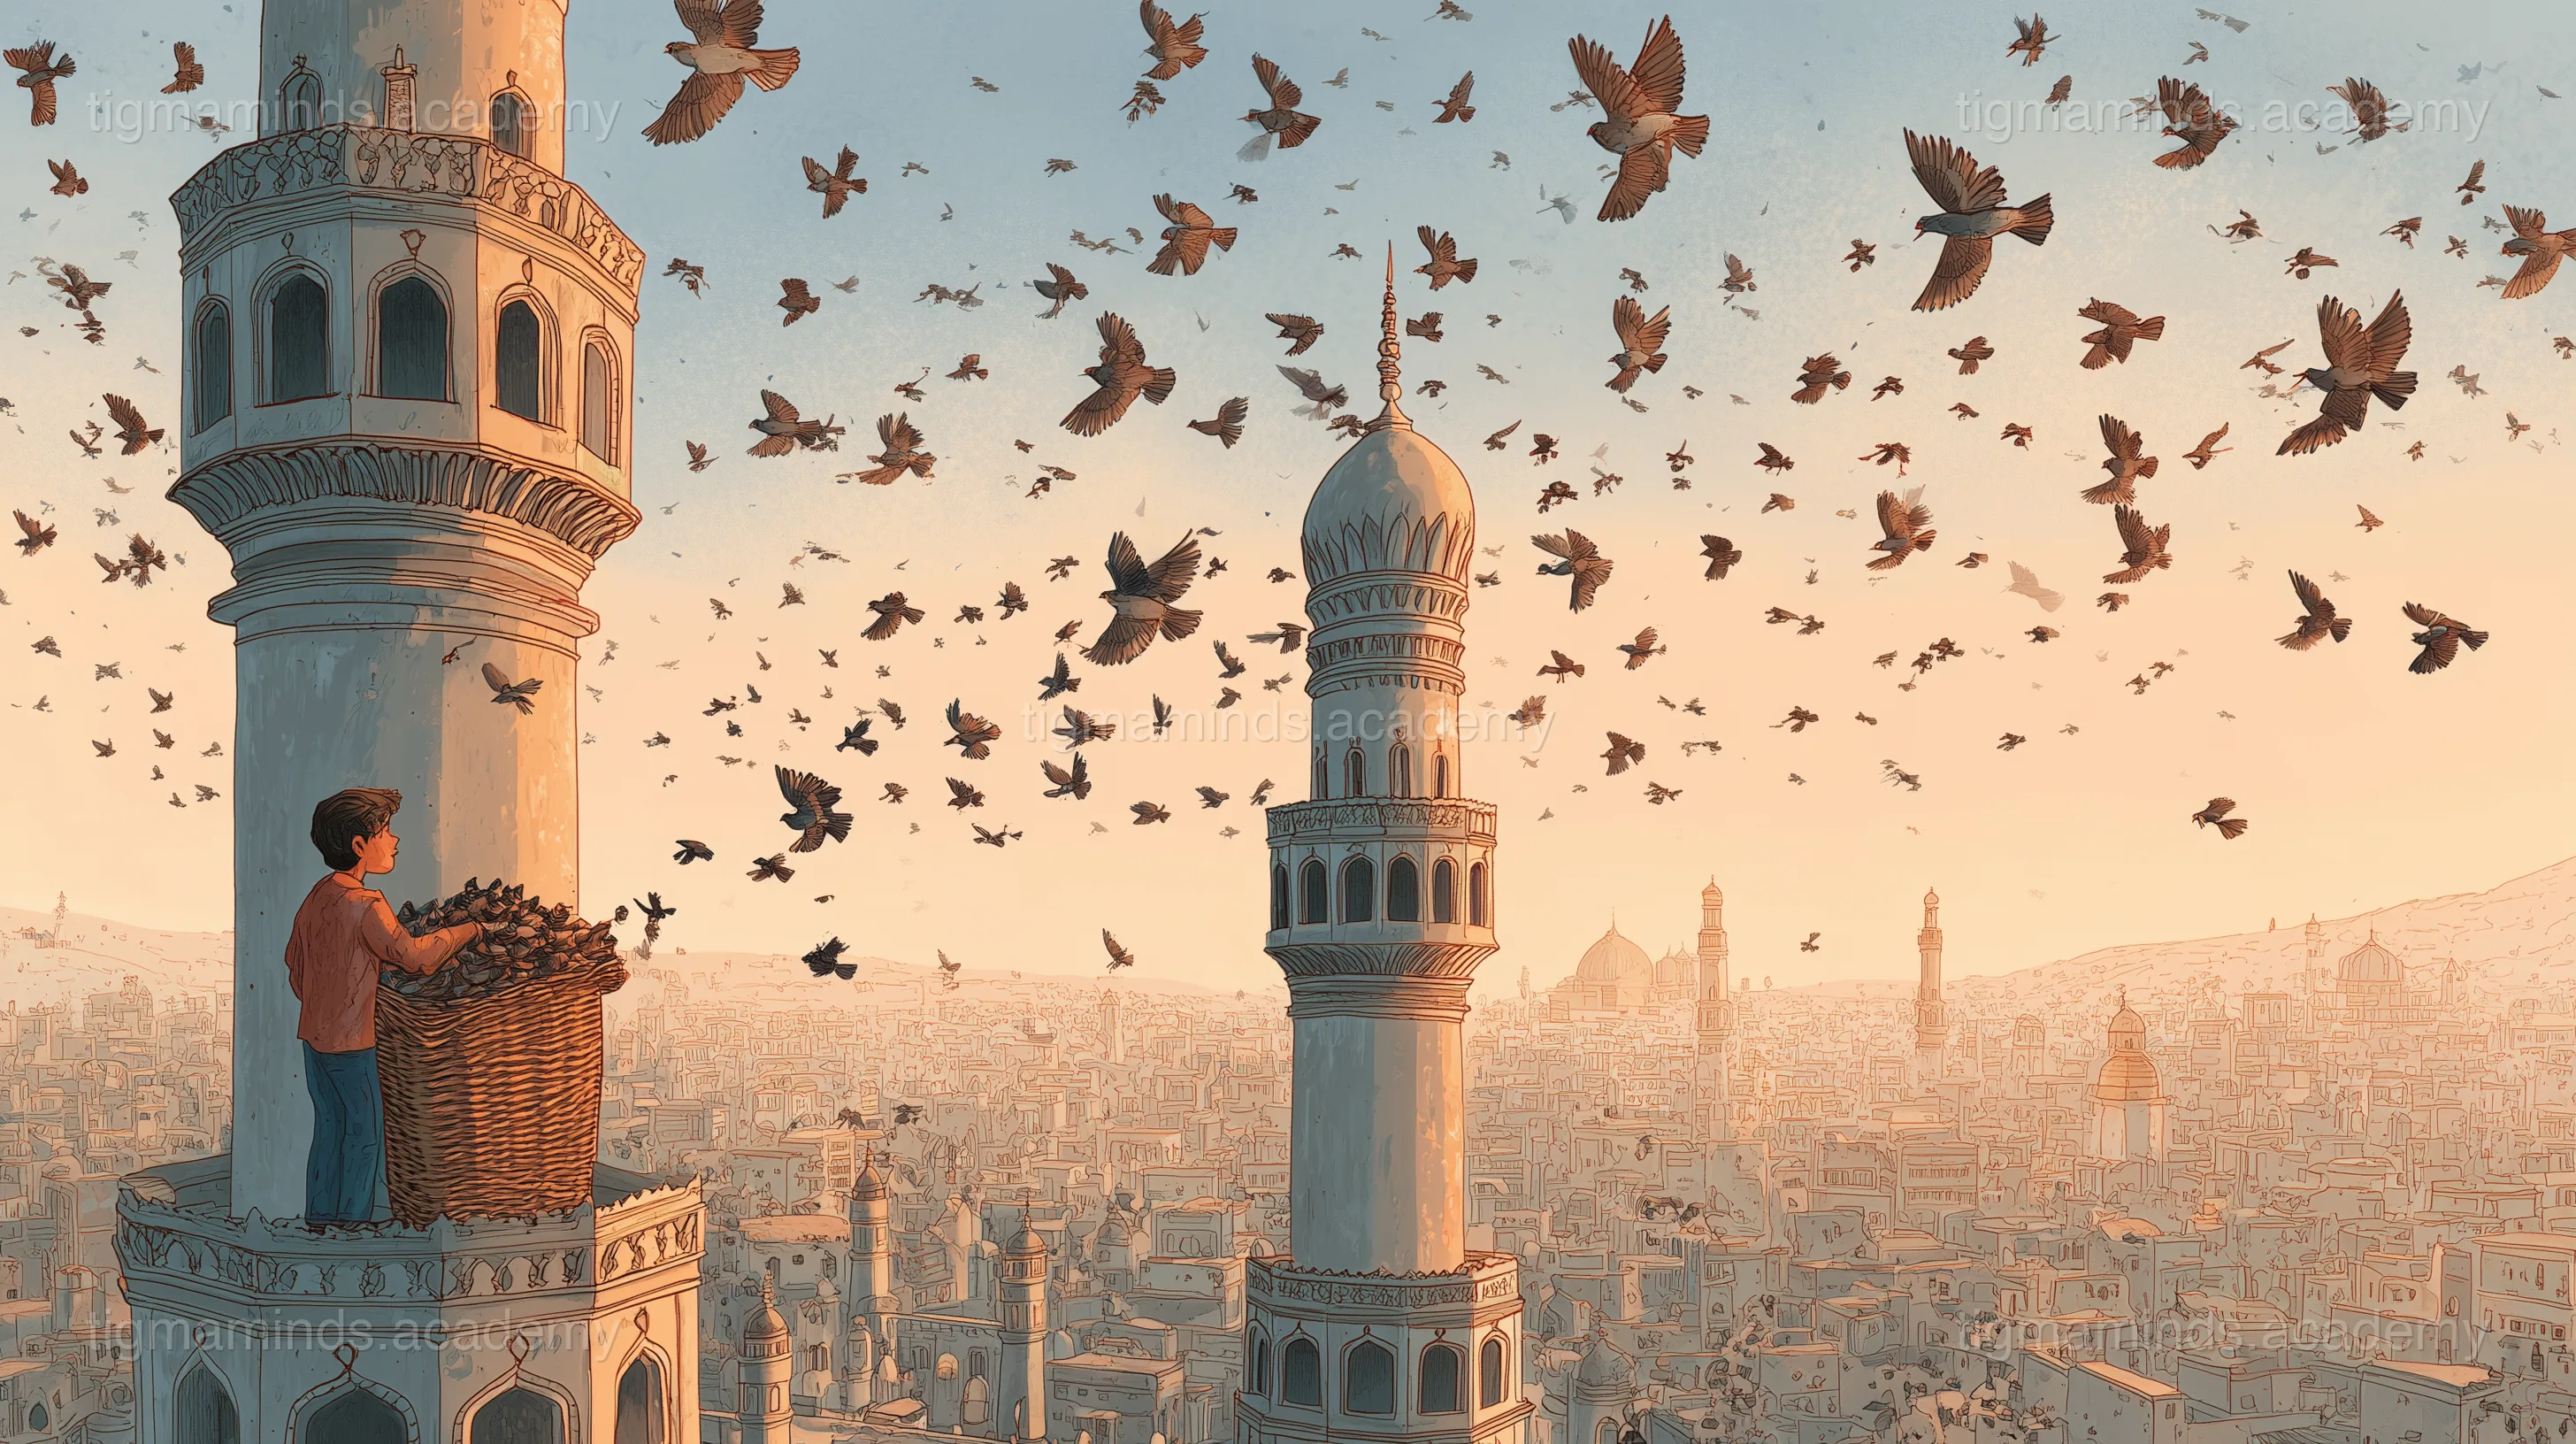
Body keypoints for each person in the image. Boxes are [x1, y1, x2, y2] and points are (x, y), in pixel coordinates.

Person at [285, 787, 483, 1225]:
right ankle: (353, 1227)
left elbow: (294, 964)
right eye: (386, 832)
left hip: (314, 1040)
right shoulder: (366, 904)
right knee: (364, 1136)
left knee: (329, 1131)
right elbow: (416, 956)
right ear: (360, 846)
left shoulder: (316, 897)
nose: (394, 841)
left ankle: (320, 1222)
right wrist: (468, 931)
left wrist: (324, 1000)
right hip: (354, 1044)